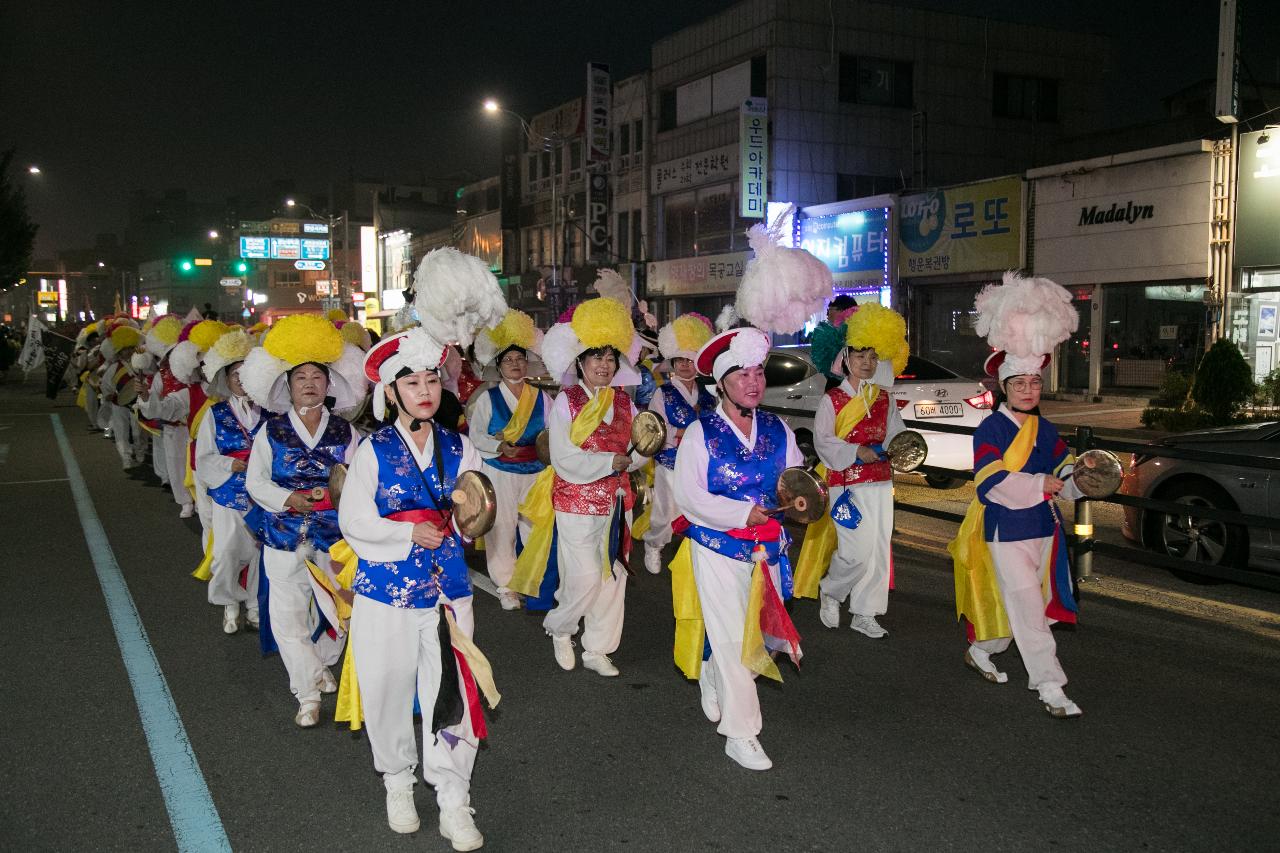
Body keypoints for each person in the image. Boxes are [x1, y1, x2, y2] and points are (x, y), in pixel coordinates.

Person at [338, 326, 494, 849]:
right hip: (386, 591)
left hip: (448, 589)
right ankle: (397, 781)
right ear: (391, 393)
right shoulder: (372, 451)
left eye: (432, 380)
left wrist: (466, 520)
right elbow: (354, 521)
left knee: (454, 691)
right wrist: (407, 531)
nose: (425, 391)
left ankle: (453, 797)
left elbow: (478, 509)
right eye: (412, 383)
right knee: (386, 688)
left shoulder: (460, 445)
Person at [949, 272, 1085, 719]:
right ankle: (1050, 686)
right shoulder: (991, 428)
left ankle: (983, 647)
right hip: (1006, 530)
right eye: (1020, 384)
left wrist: (1084, 478)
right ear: (1003, 388)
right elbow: (989, 484)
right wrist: (1038, 484)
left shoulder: (1045, 428)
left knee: (1033, 609)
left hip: (1045, 529)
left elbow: (1065, 470)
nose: (1029, 390)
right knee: (1028, 607)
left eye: (1035, 383)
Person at [671, 325, 804, 771]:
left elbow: (794, 481)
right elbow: (689, 497)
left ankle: (711, 672)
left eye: (758, 373)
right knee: (732, 640)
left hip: (769, 551)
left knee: (762, 639)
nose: (753, 382)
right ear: (722, 382)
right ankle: (741, 733)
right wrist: (740, 514)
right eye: (742, 374)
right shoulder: (699, 432)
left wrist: (802, 501)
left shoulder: (779, 428)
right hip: (717, 547)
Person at [509, 297, 645, 676]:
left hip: (619, 500)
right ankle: (560, 626)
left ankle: (598, 649)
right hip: (576, 500)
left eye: (609, 358)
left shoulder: (624, 402)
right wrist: (608, 462)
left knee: (614, 576)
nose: (603, 365)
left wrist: (637, 456)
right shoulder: (565, 402)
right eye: (595, 358)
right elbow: (563, 456)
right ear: (580, 363)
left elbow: (639, 448)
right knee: (584, 575)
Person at [242, 313, 365, 727]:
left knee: (342, 614)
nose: (310, 383)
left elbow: (361, 484)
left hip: (335, 540)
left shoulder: (348, 433)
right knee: (288, 619)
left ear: (329, 385)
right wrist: (287, 498)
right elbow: (255, 481)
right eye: (301, 377)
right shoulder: (271, 431)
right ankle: (308, 693)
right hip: (282, 537)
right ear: (287, 386)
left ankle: (319, 663)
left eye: (318, 376)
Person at [808, 302, 909, 638]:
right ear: (845, 358)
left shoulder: (885, 398)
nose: (866, 363)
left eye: (872, 356)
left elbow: (897, 433)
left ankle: (865, 612)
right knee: (855, 551)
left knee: (878, 551)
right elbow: (822, 442)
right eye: (859, 355)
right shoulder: (832, 399)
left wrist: (904, 449)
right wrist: (856, 450)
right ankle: (832, 590)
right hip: (845, 484)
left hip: (880, 483)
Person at [466, 309, 550, 610]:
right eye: (508, 360)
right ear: (498, 367)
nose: (515, 365)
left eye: (519, 359)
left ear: (527, 363)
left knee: (536, 525)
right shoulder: (488, 399)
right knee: (502, 526)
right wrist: (499, 447)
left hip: (536, 470)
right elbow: (476, 436)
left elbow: (553, 434)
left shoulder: (543, 397)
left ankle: (533, 579)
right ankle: (506, 584)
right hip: (500, 469)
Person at [194, 328, 262, 634]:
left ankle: (254, 606)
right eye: (235, 373)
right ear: (226, 377)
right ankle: (230, 604)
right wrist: (229, 464)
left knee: (260, 554)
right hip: (228, 494)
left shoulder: (271, 412)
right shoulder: (215, 413)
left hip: (261, 496)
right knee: (225, 555)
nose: (241, 378)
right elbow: (204, 457)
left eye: (247, 372)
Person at [642, 312, 716, 575]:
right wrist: (682, 433)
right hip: (671, 463)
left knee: (698, 513)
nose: (685, 364)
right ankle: (654, 544)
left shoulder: (709, 396)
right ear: (673, 361)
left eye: (691, 359)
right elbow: (655, 428)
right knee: (665, 512)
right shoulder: (663, 393)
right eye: (681, 359)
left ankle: (696, 555)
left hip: (700, 467)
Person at [139, 315, 197, 518]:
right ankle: (185, 501)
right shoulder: (159, 376)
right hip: (174, 430)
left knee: (196, 465)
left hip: (195, 430)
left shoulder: (195, 376)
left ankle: (198, 499)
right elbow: (155, 406)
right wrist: (146, 397)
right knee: (176, 464)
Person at [809, 294, 857, 389]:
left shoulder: (857, 334)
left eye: (830, 309)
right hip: (835, 384)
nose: (827, 314)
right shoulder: (825, 332)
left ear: (843, 311)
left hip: (853, 383)